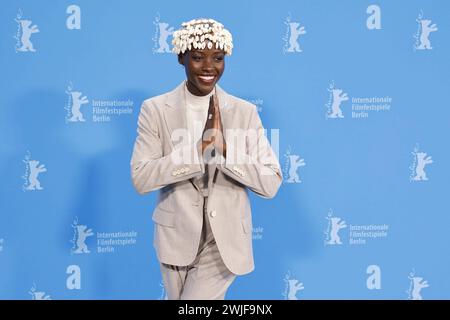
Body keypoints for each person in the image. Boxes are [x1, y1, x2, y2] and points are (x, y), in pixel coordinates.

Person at [130, 18, 282, 300]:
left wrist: (226, 151)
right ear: (181, 58)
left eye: (218, 58)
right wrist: (196, 150)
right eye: (198, 57)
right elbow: (141, 177)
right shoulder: (154, 109)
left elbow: (271, 182)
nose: (209, 67)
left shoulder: (244, 112)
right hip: (175, 237)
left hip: (224, 242)